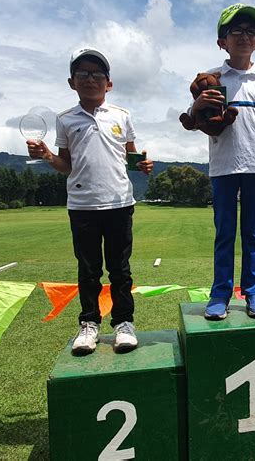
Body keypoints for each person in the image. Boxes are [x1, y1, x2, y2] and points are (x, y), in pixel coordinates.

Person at [27, 47, 153, 355]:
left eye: (97, 74)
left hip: (120, 202)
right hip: (82, 204)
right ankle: (89, 325)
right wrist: (46, 156)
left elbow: (131, 155)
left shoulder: (122, 116)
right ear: (72, 82)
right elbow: (66, 164)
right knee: (88, 271)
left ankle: (124, 323)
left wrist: (143, 165)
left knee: (120, 269)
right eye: (83, 73)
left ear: (108, 84)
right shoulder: (66, 119)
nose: (90, 79)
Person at [185, 3, 255, 320]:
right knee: (224, 234)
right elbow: (195, 121)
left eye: (251, 32)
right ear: (223, 41)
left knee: (252, 234)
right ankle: (220, 294)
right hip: (223, 168)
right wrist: (195, 107)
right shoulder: (210, 79)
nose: (245, 36)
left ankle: (254, 292)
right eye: (237, 31)